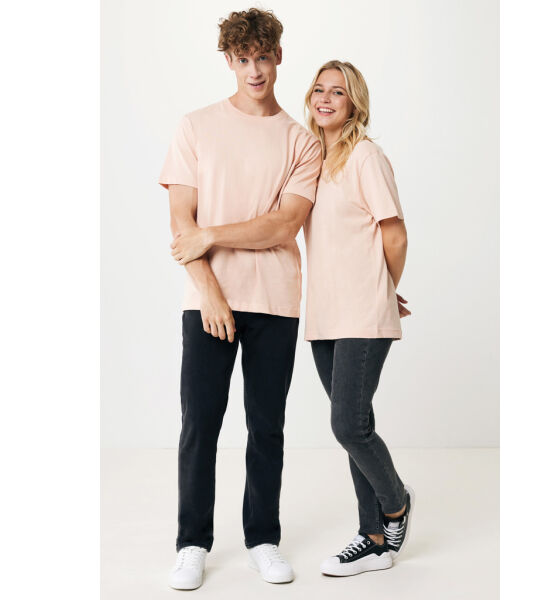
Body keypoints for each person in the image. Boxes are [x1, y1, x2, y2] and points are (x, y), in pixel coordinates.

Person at [158, 8, 321, 589]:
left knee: (266, 425)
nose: (255, 70)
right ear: (229, 60)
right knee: (200, 424)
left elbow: (284, 225)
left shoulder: (302, 141)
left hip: (276, 299)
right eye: (244, 58)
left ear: (279, 56)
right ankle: (192, 543)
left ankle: (263, 539)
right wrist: (210, 292)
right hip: (207, 299)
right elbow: (181, 223)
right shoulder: (196, 126)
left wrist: (212, 235)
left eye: (264, 57)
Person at [303, 60, 415, 577]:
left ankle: (394, 505)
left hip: (362, 312)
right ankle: (373, 539)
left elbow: (395, 233)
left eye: (338, 93)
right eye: (319, 90)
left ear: (354, 105)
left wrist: (384, 289)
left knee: (347, 424)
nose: (325, 99)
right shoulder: (312, 160)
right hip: (323, 315)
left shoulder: (366, 156)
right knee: (356, 425)